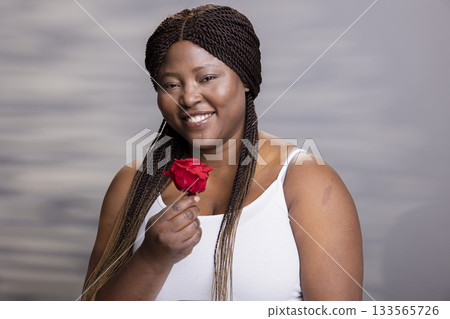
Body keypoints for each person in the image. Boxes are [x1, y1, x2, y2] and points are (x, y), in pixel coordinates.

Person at [81, 4, 363, 301]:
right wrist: (151, 259)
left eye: (207, 78)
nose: (188, 97)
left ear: (244, 81)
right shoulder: (131, 184)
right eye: (171, 84)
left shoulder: (306, 182)